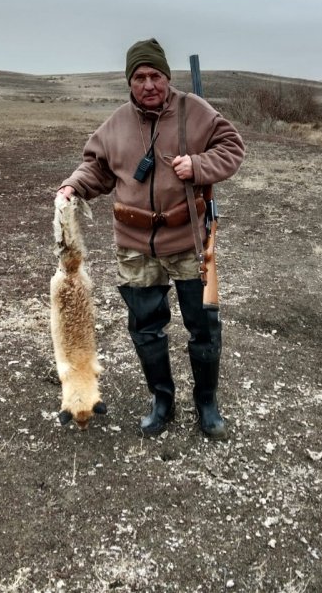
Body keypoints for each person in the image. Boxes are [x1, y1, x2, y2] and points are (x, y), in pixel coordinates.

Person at [57, 38, 245, 440]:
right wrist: (73, 186)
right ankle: (162, 400)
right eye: (139, 77)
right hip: (135, 246)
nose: (148, 84)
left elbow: (232, 147)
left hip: (189, 240)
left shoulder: (194, 111)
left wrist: (198, 165)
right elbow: (97, 169)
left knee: (204, 327)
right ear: (129, 81)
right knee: (145, 328)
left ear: (167, 76)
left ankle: (206, 403)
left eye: (155, 76)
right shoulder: (115, 125)